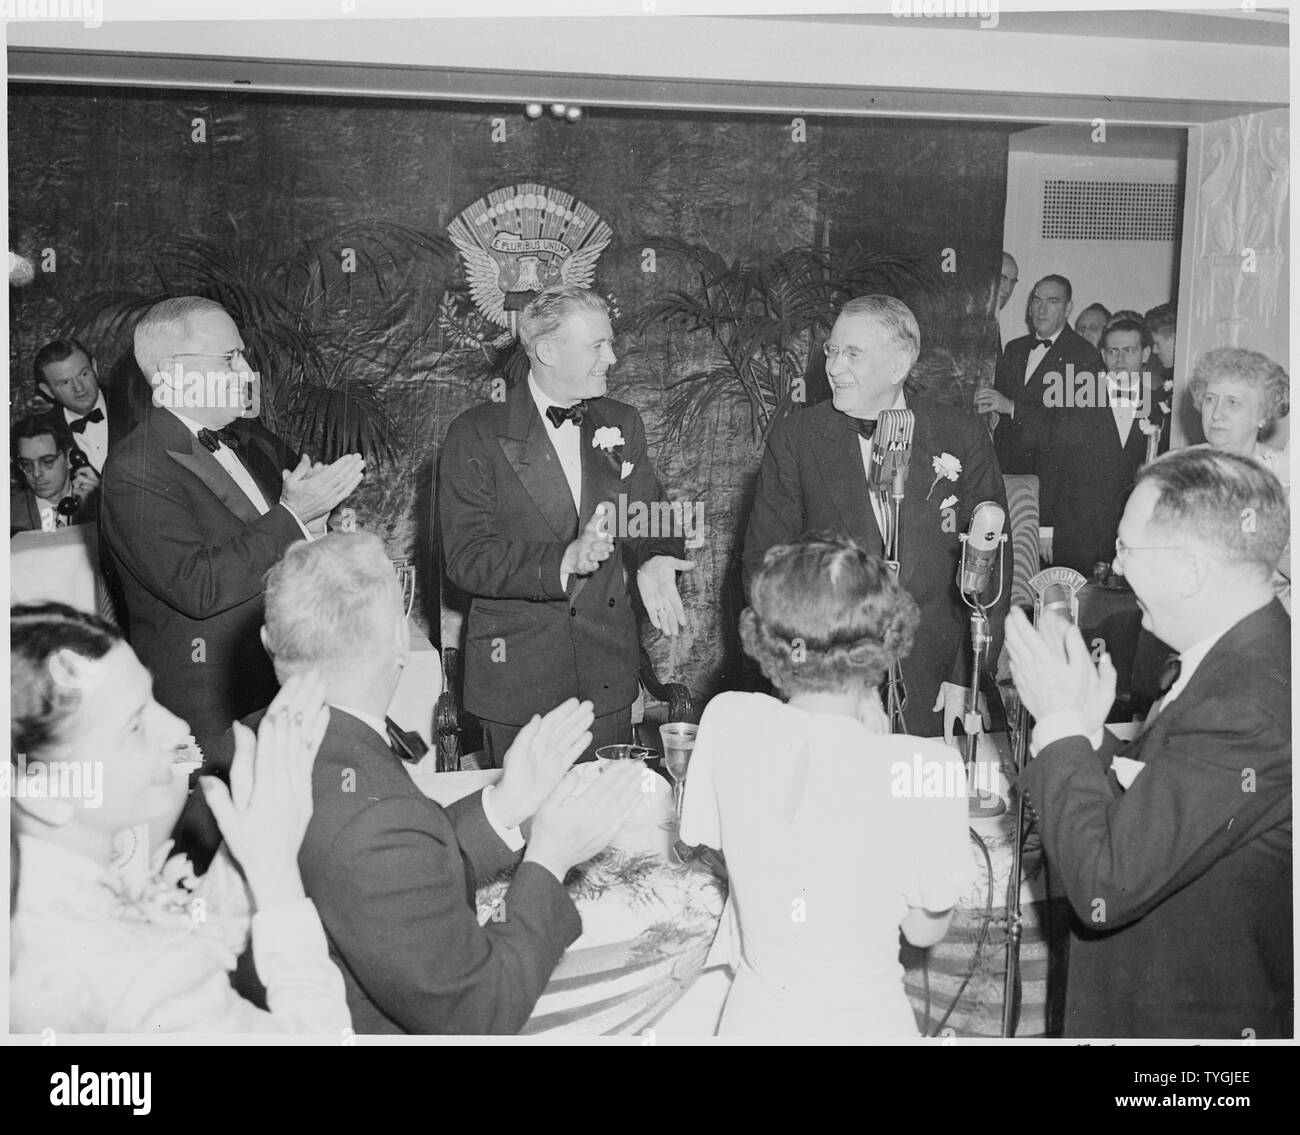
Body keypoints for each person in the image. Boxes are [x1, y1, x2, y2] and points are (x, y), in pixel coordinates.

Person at [196, 532, 645, 1034]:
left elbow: (392, 871)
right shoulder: (375, 818)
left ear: (270, 642)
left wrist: (503, 806)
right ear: (397, 642)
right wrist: (550, 858)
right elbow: (480, 1013)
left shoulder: (244, 742)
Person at [1007, 448, 1291, 1039]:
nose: (1113, 565)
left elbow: (1106, 883)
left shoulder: (1244, 707)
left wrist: (1056, 724)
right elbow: (1166, 814)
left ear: (1190, 570)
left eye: (1127, 548)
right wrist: (1088, 734)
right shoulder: (1238, 659)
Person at [9, 603, 350, 1033]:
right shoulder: (143, 978)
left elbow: (185, 948)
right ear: (41, 790)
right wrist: (277, 878)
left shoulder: (43, 888)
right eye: (133, 727)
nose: (175, 729)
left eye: (150, 699)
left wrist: (248, 843)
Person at [681, 535, 972, 1037]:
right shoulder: (930, 768)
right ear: (886, 643)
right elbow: (924, 930)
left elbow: (718, 840)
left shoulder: (726, 720)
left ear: (769, 639)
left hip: (756, 1021)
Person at [439, 284, 691, 766]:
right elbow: (467, 558)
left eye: (610, 342)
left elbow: (649, 515)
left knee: (608, 831)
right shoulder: (474, 434)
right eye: (598, 345)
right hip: (516, 683)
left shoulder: (622, 423)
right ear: (547, 350)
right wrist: (563, 561)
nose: (612, 357)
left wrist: (654, 557)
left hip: (606, 681)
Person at [99, 296, 365, 746]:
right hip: (210, 708)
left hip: (283, 689)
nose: (246, 373)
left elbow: (282, 544)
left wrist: (314, 523)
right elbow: (197, 586)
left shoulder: (252, 440)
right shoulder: (134, 470)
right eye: (229, 359)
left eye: (242, 355)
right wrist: (295, 516)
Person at [745, 295, 1010, 739]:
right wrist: (800, 671)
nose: (833, 367)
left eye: (853, 354)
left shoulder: (960, 435)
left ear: (899, 364)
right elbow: (763, 564)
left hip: (936, 681)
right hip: (828, 683)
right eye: (832, 351)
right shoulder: (796, 439)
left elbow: (990, 561)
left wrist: (969, 675)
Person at [1040, 316, 1169, 575]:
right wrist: (1045, 529)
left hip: (1133, 537)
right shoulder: (1073, 400)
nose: (1120, 359)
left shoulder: (1160, 408)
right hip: (1077, 533)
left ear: (1145, 353)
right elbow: (1050, 467)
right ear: (1102, 354)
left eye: (1129, 351)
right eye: (1112, 351)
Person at [1191, 346, 1290, 609]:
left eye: (1233, 403)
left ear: (1264, 415)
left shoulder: (1284, 477)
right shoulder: (1178, 469)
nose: (1216, 414)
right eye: (1210, 399)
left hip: (1270, 624)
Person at [979, 274, 1103, 480]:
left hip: (1053, 477)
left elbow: (1075, 427)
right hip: (1006, 471)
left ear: (1068, 309)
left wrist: (1012, 408)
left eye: (1052, 301)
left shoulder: (1084, 355)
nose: (1041, 309)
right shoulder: (1014, 349)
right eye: (1036, 301)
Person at [34, 338, 133, 475]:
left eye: (84, 374)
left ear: (95, 368)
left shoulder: (134, 405)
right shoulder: (43, 435)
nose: (79, 388)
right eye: (65, 382)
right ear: (48, 391)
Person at [10, 413, 97, 533]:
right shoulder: (9, 514)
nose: (36, 473)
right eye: (26, 464)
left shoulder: (97, 506)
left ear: (69, 458)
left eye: (47, 461)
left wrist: (96, 506)